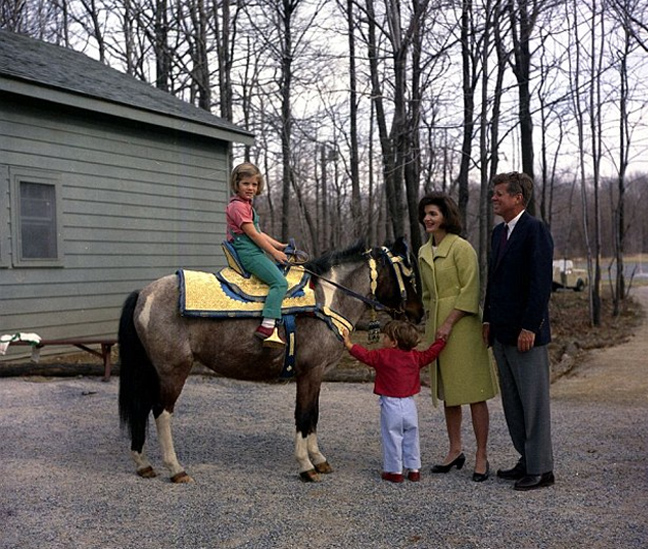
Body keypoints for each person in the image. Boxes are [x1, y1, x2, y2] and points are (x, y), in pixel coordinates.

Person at [417, 192, 498, 482]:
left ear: (446, 217)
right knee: (449, 392)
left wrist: (450, 322)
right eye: (426, 213)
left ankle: (481, 455)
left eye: (434, 213)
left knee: (473, 392)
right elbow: (426, 295)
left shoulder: (462, 248)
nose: (428, 218)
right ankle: (455, 450)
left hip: (463, 326)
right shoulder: (423, 252)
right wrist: (430, 326)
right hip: (436, 326)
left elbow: (471, 290)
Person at [482, 171, 555, 491]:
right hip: (501, 332)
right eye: (493, 193)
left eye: (499, 193)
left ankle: (542, 470)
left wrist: (530, 327)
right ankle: (526, 460)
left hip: (527, 335)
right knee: (513, 403)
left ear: (518, 198)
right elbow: (493, 283)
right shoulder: (498, 234)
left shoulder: (535, 230)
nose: (494, 198)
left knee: (533, 403)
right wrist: (487, 321)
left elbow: (540, 285)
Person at [342, 321, 446, 483]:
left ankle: (394, 471)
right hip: (409, 404)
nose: (383, 339)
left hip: (390, 403)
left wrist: (349, 344)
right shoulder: (416, 357)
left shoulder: (382, 355)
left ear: (394, 342)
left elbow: (365, 355)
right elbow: (430, 354)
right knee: (411, 435)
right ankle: (414, 468)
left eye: (386, 337)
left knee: (392, 436)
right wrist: (441, 342)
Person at [226, 162, 289, 348]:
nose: (251, 188)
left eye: (254, 184)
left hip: (254, 249)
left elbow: (259, 232)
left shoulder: (246, 206)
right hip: (248, 253)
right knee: (280, 282)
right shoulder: (237, 207)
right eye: (246, 184)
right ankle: (268, 325)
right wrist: (275, 253)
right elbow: (252, 235)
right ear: (237, 184)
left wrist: (280, 245)